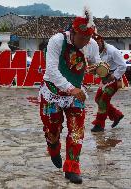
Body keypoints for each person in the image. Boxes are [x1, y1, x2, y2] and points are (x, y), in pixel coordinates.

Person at [39, 7, 99, 184]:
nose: (85, 42)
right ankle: (53, 146)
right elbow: (51, 70)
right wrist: (70, 88)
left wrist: (101, 69)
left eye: (88, 38)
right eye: (82, 38)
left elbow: (96, 62)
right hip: (52, 91)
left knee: (77, 131)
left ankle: (72, 167)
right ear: (72, 32)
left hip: (76, 94)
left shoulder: (91, 44)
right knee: (52, 129)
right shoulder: (56, 41)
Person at [89, 33, 127, 132]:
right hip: (105, 79)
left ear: (101, 41)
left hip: (115, 78)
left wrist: (113, 76)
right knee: (98, 98)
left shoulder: (112, 51)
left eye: (97, 43)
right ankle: (117, 115)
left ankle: (99, 125)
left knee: (103, 100)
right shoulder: (95, 51)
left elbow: (123, 65)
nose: (95, 46)